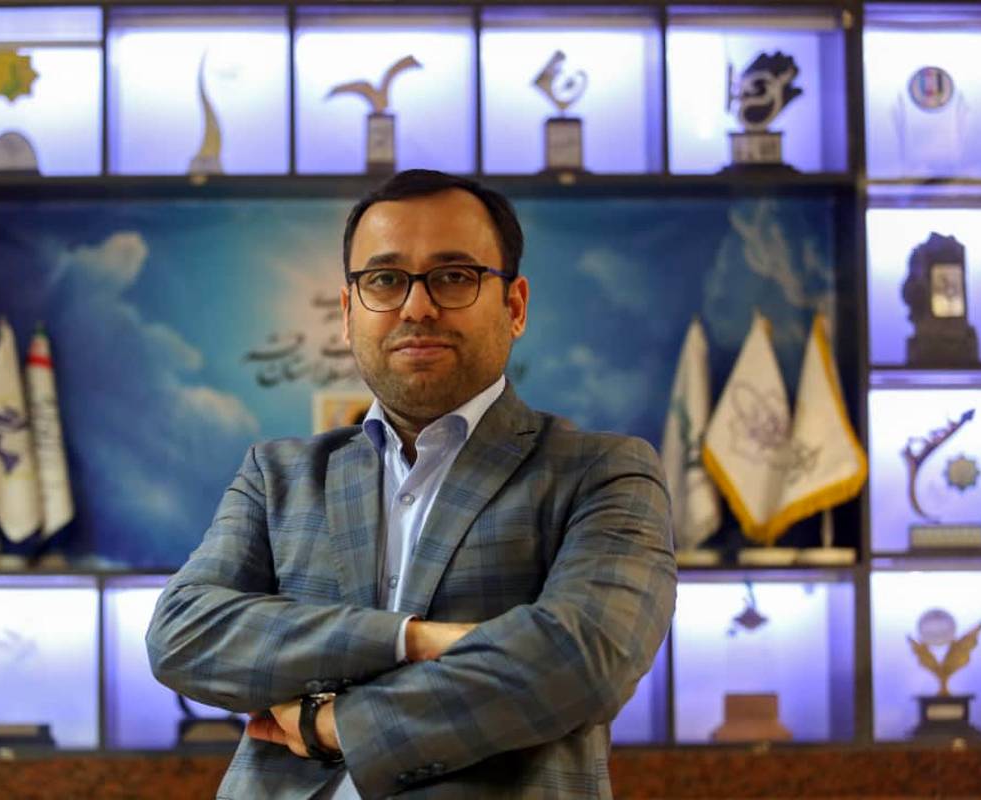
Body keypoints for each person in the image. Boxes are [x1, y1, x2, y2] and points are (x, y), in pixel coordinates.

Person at [146, 169, 676, 799]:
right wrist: (410, 639)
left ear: (514, 307)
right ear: (349, 313)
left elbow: (582, 660)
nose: (416, 307)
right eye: (384, 279)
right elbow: (183, 634)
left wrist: (332, 725)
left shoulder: (602, 472)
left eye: (453, 276)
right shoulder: (277, 476)